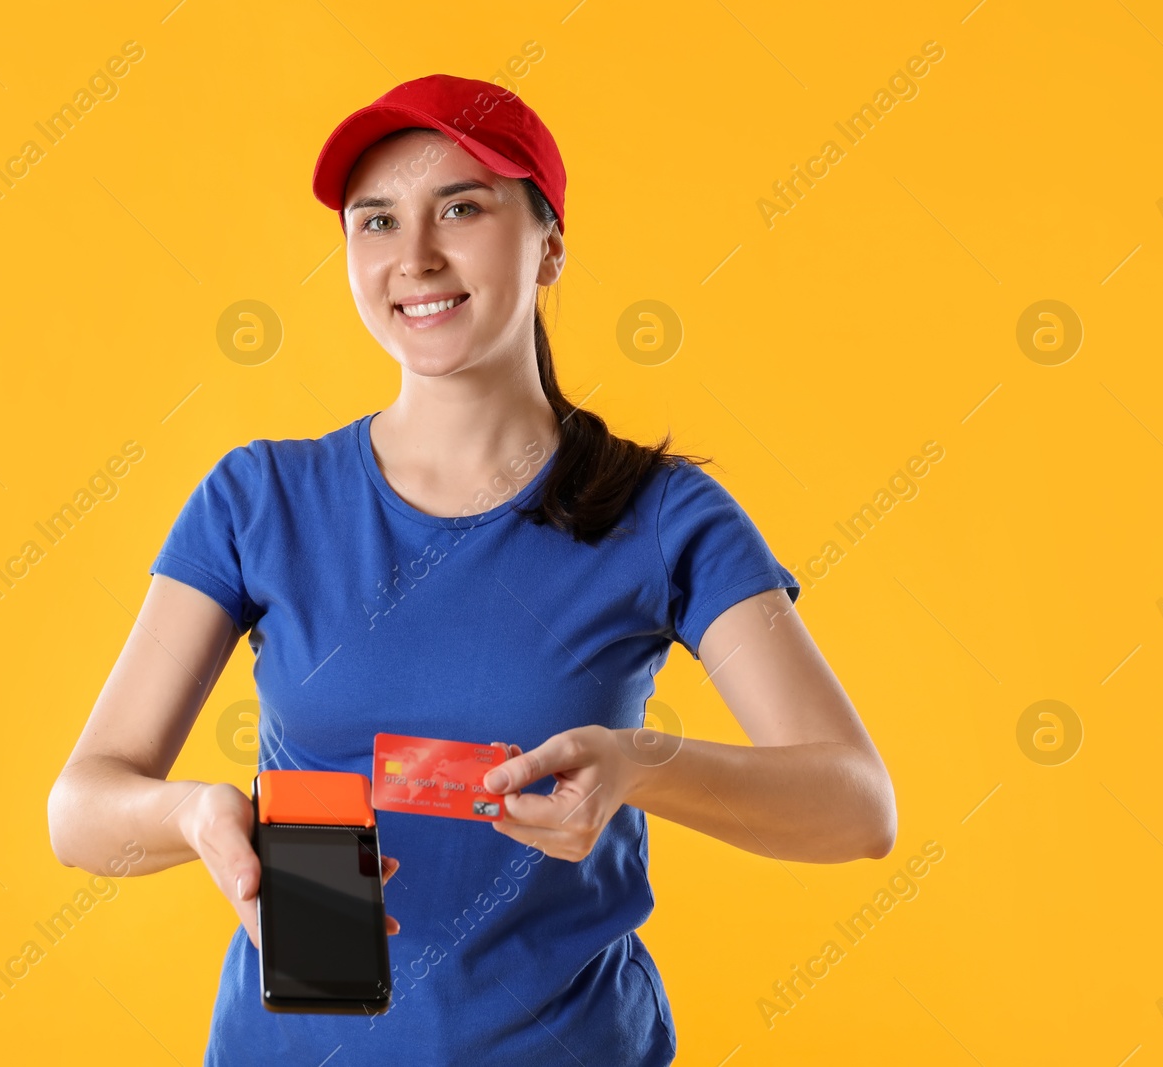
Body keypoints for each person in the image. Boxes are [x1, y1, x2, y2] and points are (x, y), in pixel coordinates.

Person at [48, 73, 896, 1064]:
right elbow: (80, 808)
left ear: (550, 244)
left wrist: (636, 763)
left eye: (461, 206)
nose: (413, 257)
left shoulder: (662, 513)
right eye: (375, 221)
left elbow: (855, 806)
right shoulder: (257, 499)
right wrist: (196, 814)